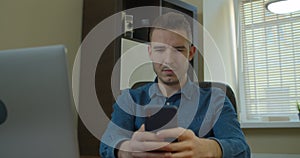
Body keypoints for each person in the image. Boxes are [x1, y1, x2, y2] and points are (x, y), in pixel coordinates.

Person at [100, 12, 250, 158]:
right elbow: (107, 145)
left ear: (190, 53)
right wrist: (128, 150)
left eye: (178, 50)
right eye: (160, 49)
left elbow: (242, 149)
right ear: (150, 52)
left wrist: (210, 149)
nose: (169, 60)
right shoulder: (129, 98)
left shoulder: (216, 99)